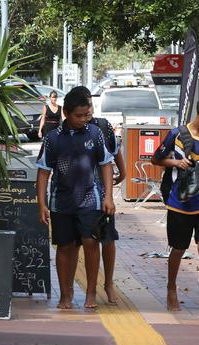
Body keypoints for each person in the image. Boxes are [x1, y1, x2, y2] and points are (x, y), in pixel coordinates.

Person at [36, 89, 116, 309]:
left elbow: (106, 165)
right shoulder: (53, 138)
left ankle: (91, 292)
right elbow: (43, 173)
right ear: (67, 114)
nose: (83, 119)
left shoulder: (95, 133)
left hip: (91, 199)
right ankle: (65, 294)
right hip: (61, 202)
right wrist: (42, 203)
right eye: (78, 116)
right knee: (65, 246)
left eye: (86, 115)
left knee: (91, 242)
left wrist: (108, 197)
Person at [151, 92, 199, 316]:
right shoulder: (176, 134)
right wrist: (176, 162)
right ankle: (171, 287)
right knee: (179, 248)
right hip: (179, 202)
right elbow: (156, 159)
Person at [73, 85, 126, 304]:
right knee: (78, 243)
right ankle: (83, 289)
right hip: (74, 196)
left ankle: (109, 284)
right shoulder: (69, 127)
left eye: (91, 107)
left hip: (101, 194)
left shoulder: (102, 126)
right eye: (84, 109)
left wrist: (122, 173)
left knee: (108, 239)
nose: (88, 113)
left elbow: (115, 151)